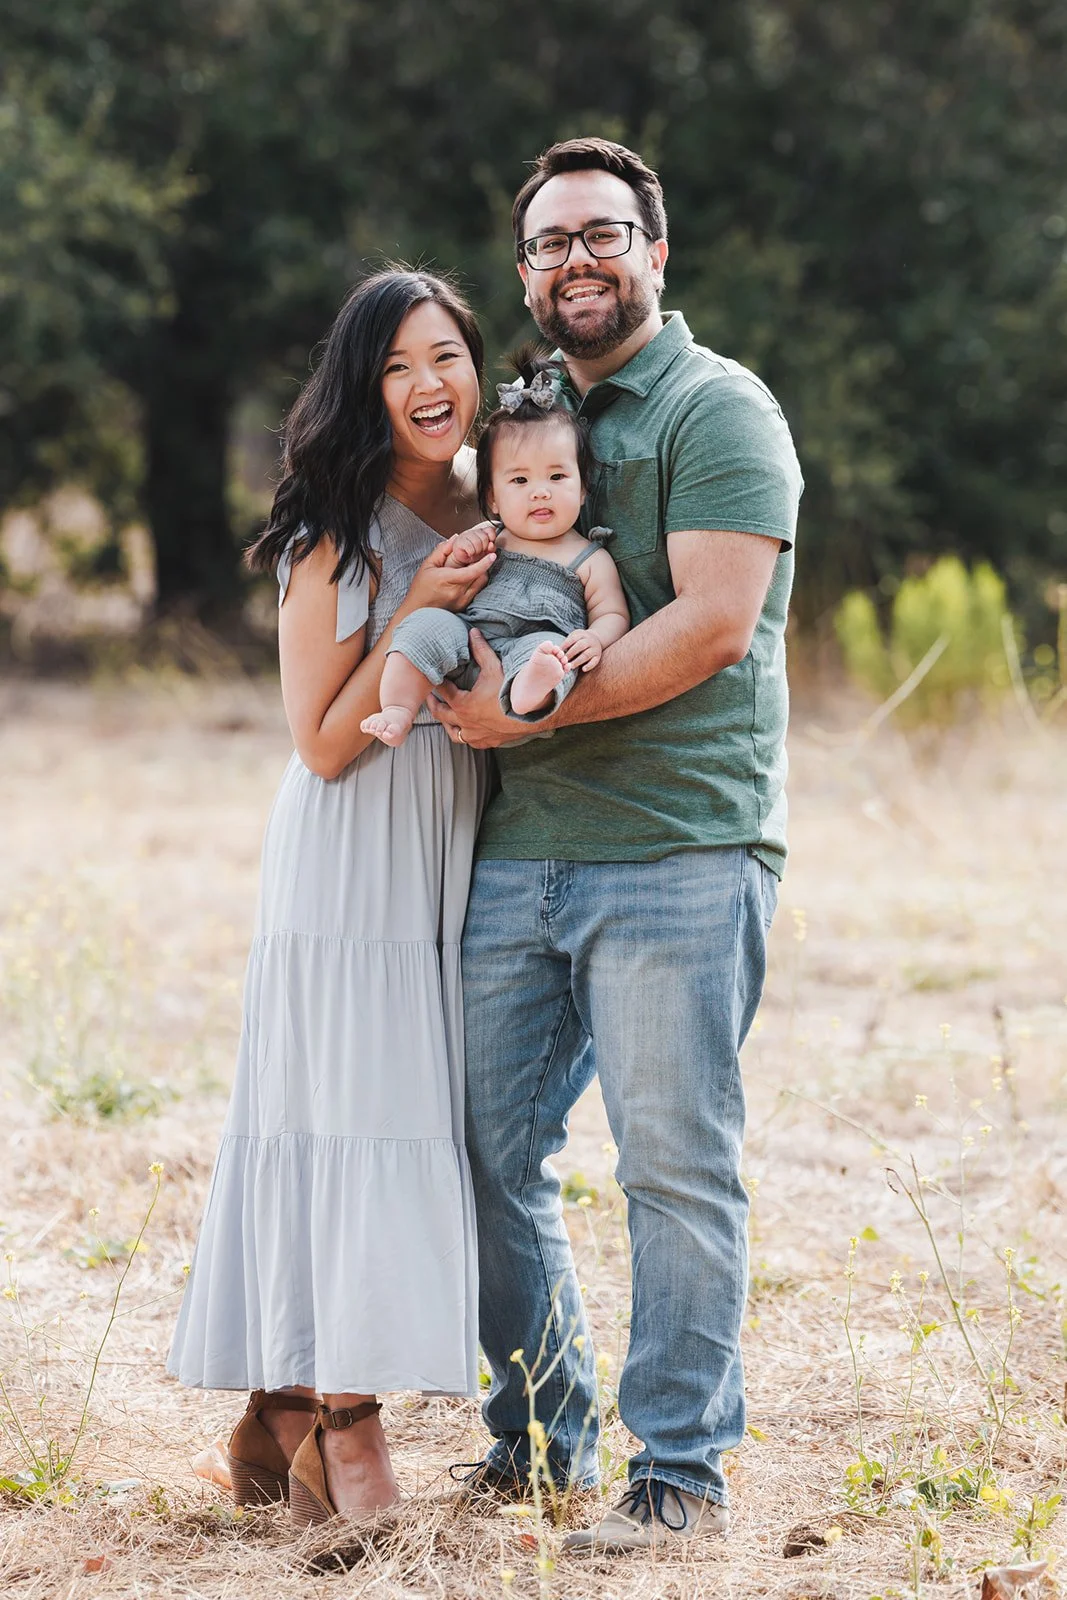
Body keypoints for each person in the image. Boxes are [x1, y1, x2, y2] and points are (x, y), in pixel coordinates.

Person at [430, 139, 803, 1553]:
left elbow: (710, 626)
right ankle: (534, 1443)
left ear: (657, 251)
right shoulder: (516, 432)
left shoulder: (718, 409)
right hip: (518, 858)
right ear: (523, 275)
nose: (572, 261)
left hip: (678, 851)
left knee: (671, 1164)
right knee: (479, 1151)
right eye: (545, 244)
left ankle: (678, 1477)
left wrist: (518, 723)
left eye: (600, 234)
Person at [167, 269, 495, 1529]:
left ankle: (275, 1414)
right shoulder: (335, 535)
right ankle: (345, 1432)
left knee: (376, 1115)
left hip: (447, 845)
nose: (428, 385)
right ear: (365, 391)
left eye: (446, 357)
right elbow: (316, 739)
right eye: (398, 367)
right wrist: (412, 607)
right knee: (350, 1113)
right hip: (351, 847)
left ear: (477, 368)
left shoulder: (509, 497)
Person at [361, 354, 629, 747]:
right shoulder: (492, 536)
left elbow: (612, 613)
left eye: (557, 476)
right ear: (493, 497)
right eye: (519, 480)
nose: (540, 490)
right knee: (421, 627)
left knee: (549, 656)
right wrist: (463, 550)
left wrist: (597, 639)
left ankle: (527, 691)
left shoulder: (590, 558)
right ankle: (397, 709)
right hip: (468, 637)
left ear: (583, 486)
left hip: (532, 645)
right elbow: (456, 576)